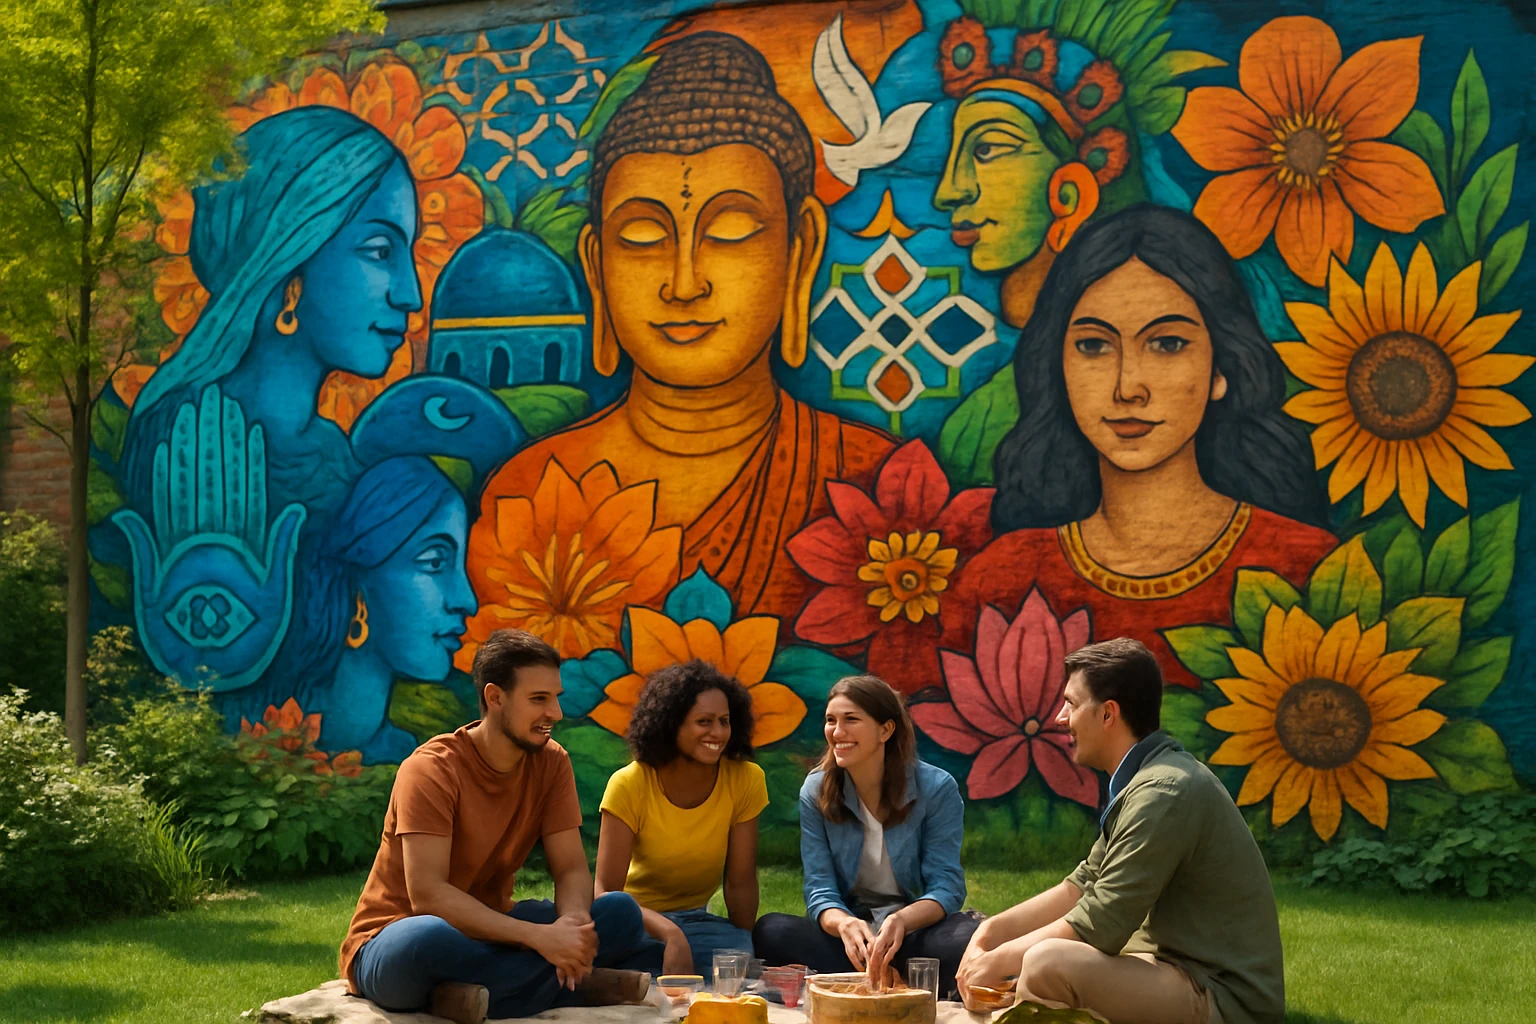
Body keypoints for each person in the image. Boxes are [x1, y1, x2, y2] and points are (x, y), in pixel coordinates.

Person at [470, 31, 894, 624]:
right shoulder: (530, 493)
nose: (684, 282)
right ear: (595, 266)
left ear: (800, 250)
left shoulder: (876, 486)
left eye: (731, 230)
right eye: (642, 235)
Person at [943, 206, 1336, 689]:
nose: (1128, 387)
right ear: (1058, 368)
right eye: (1093, 346)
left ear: (1221, 369)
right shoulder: (1003, 579)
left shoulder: (1305, 567)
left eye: (1167, 344)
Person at [956, 638, 1284, 1024]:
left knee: (1047, 963)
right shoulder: (1147, 781)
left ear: (1108, 714)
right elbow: (1081, 886)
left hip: (1222, 996)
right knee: (1035, 960)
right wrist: (989, 933)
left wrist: (996, 962)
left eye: (1071, 703)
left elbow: (1101, 923)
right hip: (1176, 970)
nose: (1061, 717)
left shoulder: (1163, 791)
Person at [340, 629, 660, 1024]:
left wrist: (571, 927)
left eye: (556, 697)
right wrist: (539, 938)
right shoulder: (430, 769)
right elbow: (429, 896)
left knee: (619, 912)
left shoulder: (552, 762)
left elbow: (571, 869)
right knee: (426, 938)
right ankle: (571, 985)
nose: (555, 713)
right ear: (495, 698)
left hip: (493, 931)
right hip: (397, 940)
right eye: (538, 699)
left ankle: (472, 994)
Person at [216, 456, 476, 763]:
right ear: (358, 586)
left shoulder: (417, 749)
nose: (467, 600)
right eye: (434, 562)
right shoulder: (242, 738)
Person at [754, 675, 977, 998]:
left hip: (914, 932)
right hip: (851, 938)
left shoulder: (936, 788)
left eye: (851, 720)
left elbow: (946, 886)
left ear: (885, 730)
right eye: (831, 720)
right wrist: (844, 924)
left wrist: (901, 921)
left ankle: (865, 978)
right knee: (772, 930)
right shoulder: (816, 790)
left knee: (969, 937)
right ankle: (893, 977)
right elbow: (819, 889)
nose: (837, 732)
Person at [596, 659, 768, 976]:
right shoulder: (629, 783)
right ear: (671, 724)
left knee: (733, 962)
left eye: (724, 721)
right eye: (704, 722)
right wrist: (669, 933)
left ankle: (636, 977)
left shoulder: (746, 779)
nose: (718, 732)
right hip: (635, 919)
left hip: (696, 921)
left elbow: (740, 882)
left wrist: (745, 950)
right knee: (623, 946)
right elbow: (604, 891)